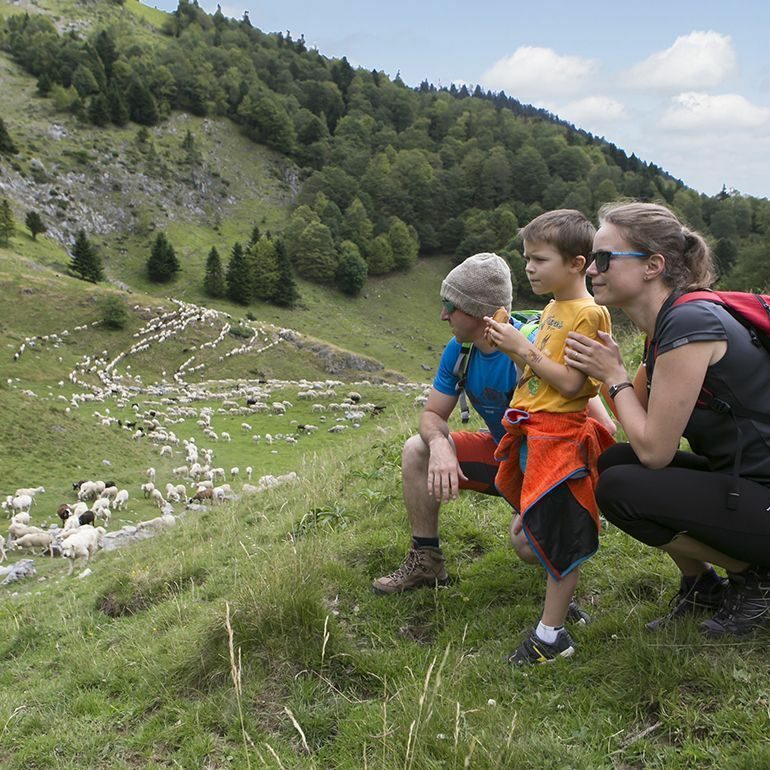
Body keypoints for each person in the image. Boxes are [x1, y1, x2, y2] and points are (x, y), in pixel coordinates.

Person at [563, 201, 770, 636]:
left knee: (622, 486)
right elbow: (631, 425)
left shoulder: (690, 323)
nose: (591, 271)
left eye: (604, 259)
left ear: (653, 265)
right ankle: (702, 585)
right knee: (616, 462)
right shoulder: (664, 329)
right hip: (746, 486)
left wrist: (615, 377)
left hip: (762, 495)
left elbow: (656, 452)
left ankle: (756, 580)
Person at [372, 251, 614, 596]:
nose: (442, 315)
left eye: (449, 305)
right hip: (507, 456)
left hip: (550, 464)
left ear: (481, 313)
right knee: (417, 449)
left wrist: (565, 489)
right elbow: (431, 415)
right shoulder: (460, 351)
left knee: (527, 546)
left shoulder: (536, 346)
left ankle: (569, 529)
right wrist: (440, 446)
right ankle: (426, 562)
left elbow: (603, 425)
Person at [484, 209, 615, 665]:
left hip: (560, 440)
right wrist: (514, 352)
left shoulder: (590, 314)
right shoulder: (552, 308)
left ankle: (551, 635)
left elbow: (575, 386)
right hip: (532, 434)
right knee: (536, 529)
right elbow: (538, 374)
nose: (529, 268)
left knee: (559, 530)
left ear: (577, 263)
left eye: (540, 259)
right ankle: (560, 601)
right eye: (526, 259)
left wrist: (524, 350)